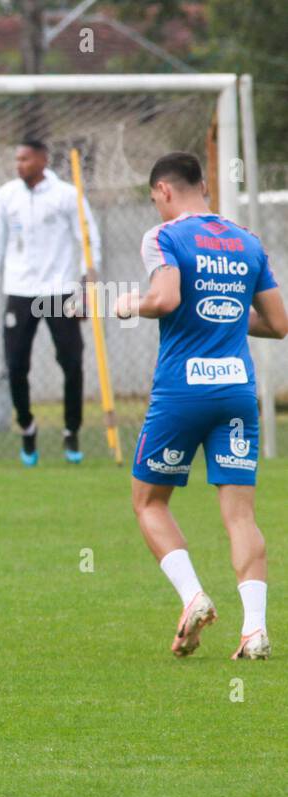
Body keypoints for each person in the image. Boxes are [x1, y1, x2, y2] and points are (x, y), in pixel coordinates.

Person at [114, 151, 286, 660]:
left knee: (149, 501)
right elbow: (279, 324)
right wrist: (228, 323)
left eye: (154, 199)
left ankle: (193, 596)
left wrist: (131, 303)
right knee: (240, 515)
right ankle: (255, 631)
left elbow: (164, 299)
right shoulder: (246, 240)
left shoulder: (163, 236)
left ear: (164, 191)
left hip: (182, 392)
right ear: (204, 185)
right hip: (237, 390)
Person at [0, 138, 101, 466]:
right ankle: (27, 427)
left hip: (58, 292)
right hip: (20, 292)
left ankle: (71, 429)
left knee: (72, 362)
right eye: (16, 159)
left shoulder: (66, 196)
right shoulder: (6, 196)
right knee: (16, 365)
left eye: (25, 159)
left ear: (43, 160)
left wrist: (87, 285)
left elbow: (88, 239)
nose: (19, 164)